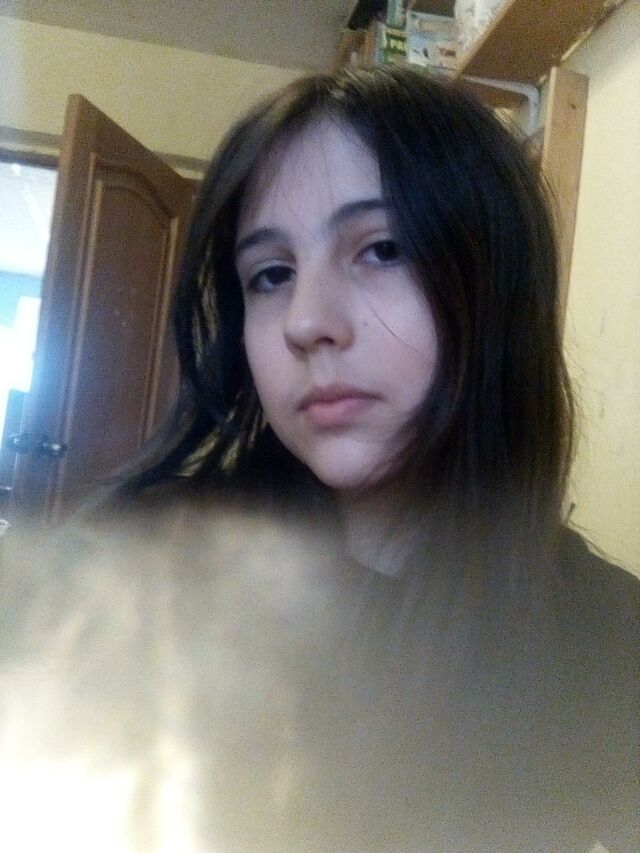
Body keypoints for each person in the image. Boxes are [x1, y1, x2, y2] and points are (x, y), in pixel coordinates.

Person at [3, 65, 638, 851]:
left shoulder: (612, 644)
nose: (305, 321)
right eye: (270, 275)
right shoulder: (117, 576)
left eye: (382, 249)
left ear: (498, 283)